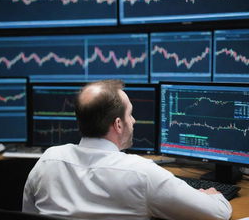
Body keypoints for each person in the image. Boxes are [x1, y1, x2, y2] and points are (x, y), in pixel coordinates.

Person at [23, 79, 232, 220]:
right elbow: (218, 213)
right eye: (130, 114)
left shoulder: (47, 161)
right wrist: (213, 196)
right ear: (118, 125)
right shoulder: (142, 173)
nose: (134, 121)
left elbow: (27, 214)